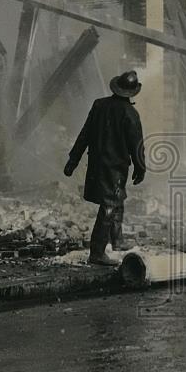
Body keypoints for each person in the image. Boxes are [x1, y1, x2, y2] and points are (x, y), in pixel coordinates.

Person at [64, 71, 147, 266]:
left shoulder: (99, 105)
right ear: (132, 93)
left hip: (97, 165)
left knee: (117, 200)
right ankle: (97, 252)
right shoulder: (130, 114)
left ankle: (117, 241)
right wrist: (140, 167)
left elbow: (85, 134)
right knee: (110, 206)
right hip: (115, 168)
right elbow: (137, 145)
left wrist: (73, 161)